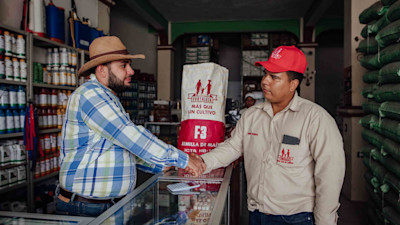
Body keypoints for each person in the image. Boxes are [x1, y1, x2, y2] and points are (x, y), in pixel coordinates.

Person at [196, 46, 345, 225]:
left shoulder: (316, 119)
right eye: (265, 74)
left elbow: (330, 175)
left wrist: (325, 222)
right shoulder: (251, 115)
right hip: (256, 213)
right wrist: (203, 162)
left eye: (274, 77)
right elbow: (234, 147)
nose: (265, 81)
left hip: (296, 218)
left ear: (293, 84)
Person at [56, 36, 203, 217]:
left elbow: (122, 148)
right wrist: (183, 159)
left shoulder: (109, 98)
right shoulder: (90, 94)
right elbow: (129, 135)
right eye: (123, 65)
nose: (131, 71)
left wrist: (160, 165)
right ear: (102, 70)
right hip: (87, 208)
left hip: (105, 206)